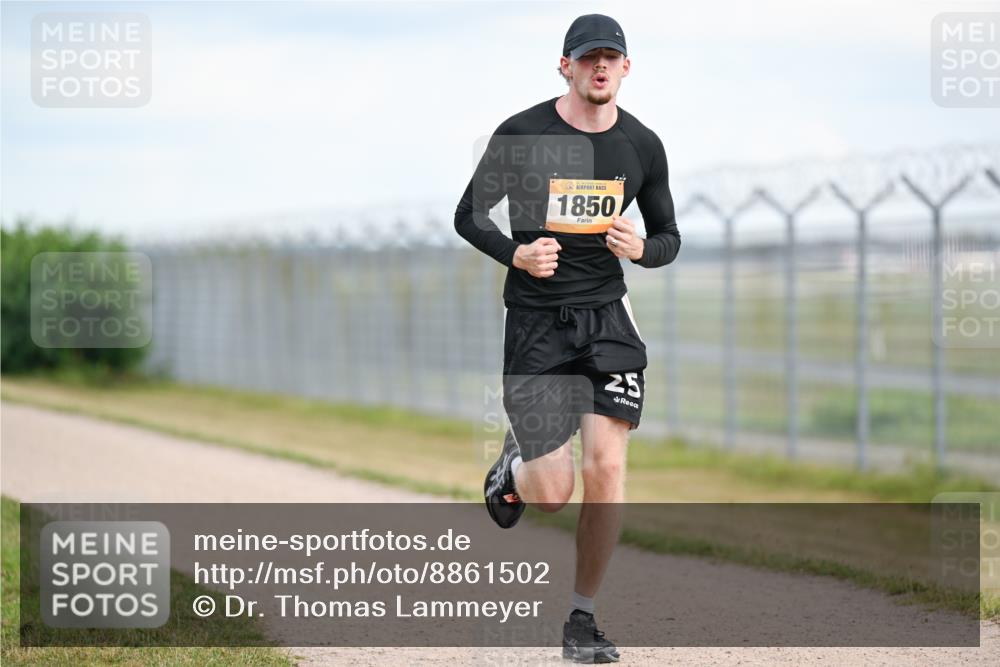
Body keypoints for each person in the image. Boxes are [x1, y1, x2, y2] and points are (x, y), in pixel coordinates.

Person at [454, 13, 681, 664]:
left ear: (626, 69)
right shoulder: (523, 133)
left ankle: (582, 620)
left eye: (611, 58)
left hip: (607, 316)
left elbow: (668, 234)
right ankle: (513, 468)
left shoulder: (642, 146)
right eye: (588, 58)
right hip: (534, 321)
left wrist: (645, 248)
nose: (600, 67)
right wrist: (517, 254)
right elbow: (469, 213)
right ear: (566, 66)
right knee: (553, 492)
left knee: (606, 467)